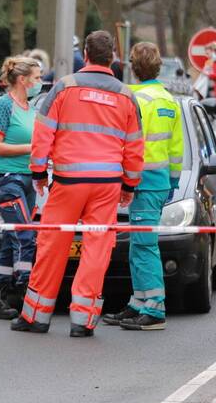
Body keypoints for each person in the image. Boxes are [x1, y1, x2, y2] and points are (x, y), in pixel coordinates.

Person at [12, 31, 144, 338]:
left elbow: (43, 134)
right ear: (112, 57)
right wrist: (129, 184)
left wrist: (37, 173)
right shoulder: (126, 96)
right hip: (107, 185)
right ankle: (82, 321)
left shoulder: (64, 88)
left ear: (85, 54)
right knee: (97, 249)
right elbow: (135, 147)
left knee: (52, 244)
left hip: (69, 180)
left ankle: (36, 316)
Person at [103, 42, 183, 331]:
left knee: (145, 246)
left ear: (133, 69)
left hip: (142, 183)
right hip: (159, 182)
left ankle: (155, 309)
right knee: (138, 245)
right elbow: (176, 149)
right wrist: (172, 181)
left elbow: (129, 144)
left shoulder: (136, 100)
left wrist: (123, 179)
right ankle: (138, 303)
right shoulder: (168, 100)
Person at [0, 55, 43, 320]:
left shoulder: (30, 108)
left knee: (11, 240)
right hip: (6, 179)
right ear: (22, 80)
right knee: (25, 234)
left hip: (27, 179)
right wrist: (33, 148)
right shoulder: (2, 105)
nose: (40, 82)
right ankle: (26, 289)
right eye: (38, 78)